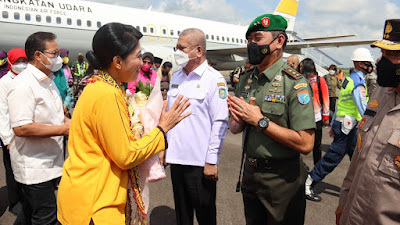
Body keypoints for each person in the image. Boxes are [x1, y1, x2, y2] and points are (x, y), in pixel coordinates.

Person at [57, 22, 190, 225]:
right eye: (138, 56)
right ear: (118, 61)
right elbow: (126, 155)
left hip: (85, 197)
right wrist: (162, 130)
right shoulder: (106, 93)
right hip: (95, 207)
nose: (142, 62)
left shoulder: (99, 85)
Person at [228, 14, 315, 225]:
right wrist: (237, 121)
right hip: (250, 174)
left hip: (282, 180)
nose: (251, 44)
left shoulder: (294, 83)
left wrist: (260, 121)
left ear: (279, 41)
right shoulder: (246, 80)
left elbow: (306, 143)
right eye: (249, 39)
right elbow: (235, 128)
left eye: (257, 38)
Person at [161, 28, 229, 225]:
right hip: (177, 161)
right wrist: (165, 148)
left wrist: (211, 160)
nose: (177, 52)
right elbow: (171, 116)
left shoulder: (214, 79)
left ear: (198, 50)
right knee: (182, 217)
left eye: (181, 48)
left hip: (199, 165)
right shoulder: (177, 77)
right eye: (176, 48)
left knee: (205, 216)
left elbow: (220, 122)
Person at [336, 19, 400, 225]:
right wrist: (343, 202)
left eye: (392, 55)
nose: (381, 62)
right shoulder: (381, 93)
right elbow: (358, 159)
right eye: (383, 53)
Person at [7, 32, 70, 224]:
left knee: (29, 213)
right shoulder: (24, 84)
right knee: (47, 219)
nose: (58, 58)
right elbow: (22, 127)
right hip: (34, 168)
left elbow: (55, 116)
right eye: (54, 53)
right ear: (38, 55)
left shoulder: (48, 81)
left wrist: (70, 122)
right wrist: (63, 130)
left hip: (49, 163)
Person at [305, 47, 374, 202]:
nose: (371, 66)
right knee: (333, 158)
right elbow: (363, 108)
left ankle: (358, 190)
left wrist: (333, 123)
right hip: (347, 128)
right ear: (361, 64)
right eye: (369, 63)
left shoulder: (350, 79)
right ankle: (308, 182)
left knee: (357, 159)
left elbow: (341, 102)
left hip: (344, 124)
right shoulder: (358, 82)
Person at [0, 48, 27, 215]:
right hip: (11, 133)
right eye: (17, 61)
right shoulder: (4, 82)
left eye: (23, 61)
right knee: (11, 169)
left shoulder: (27, 78)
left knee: (24, 168)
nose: (21, 65)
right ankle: (14, 202)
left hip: (25, 132)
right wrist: (7, 139)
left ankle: (25, 200)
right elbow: (2, 112)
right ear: (10, 62)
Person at [299, 58, 330, 165]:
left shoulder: (319, 80)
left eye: (302, 66)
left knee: (317, 145)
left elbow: (326, 98)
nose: (300, 67)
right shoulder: (300, 79)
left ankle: (317, 167)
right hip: (302, 117)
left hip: (316, 117)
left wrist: (326, 116)